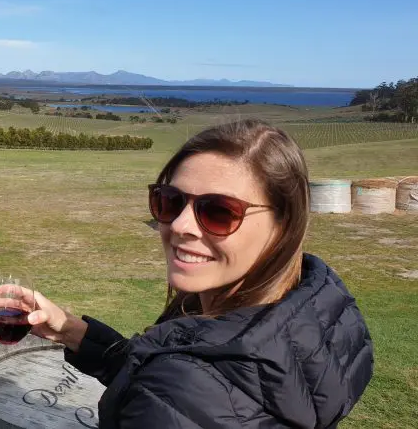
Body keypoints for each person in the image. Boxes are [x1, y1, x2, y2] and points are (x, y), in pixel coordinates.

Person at [19, 119, 374, 428]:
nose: (180, 225)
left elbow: (183, 394)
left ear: (283, 224)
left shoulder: (181, 385)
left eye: (219, 211)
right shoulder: (316, 312)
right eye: (169, 200)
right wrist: (75, 333)